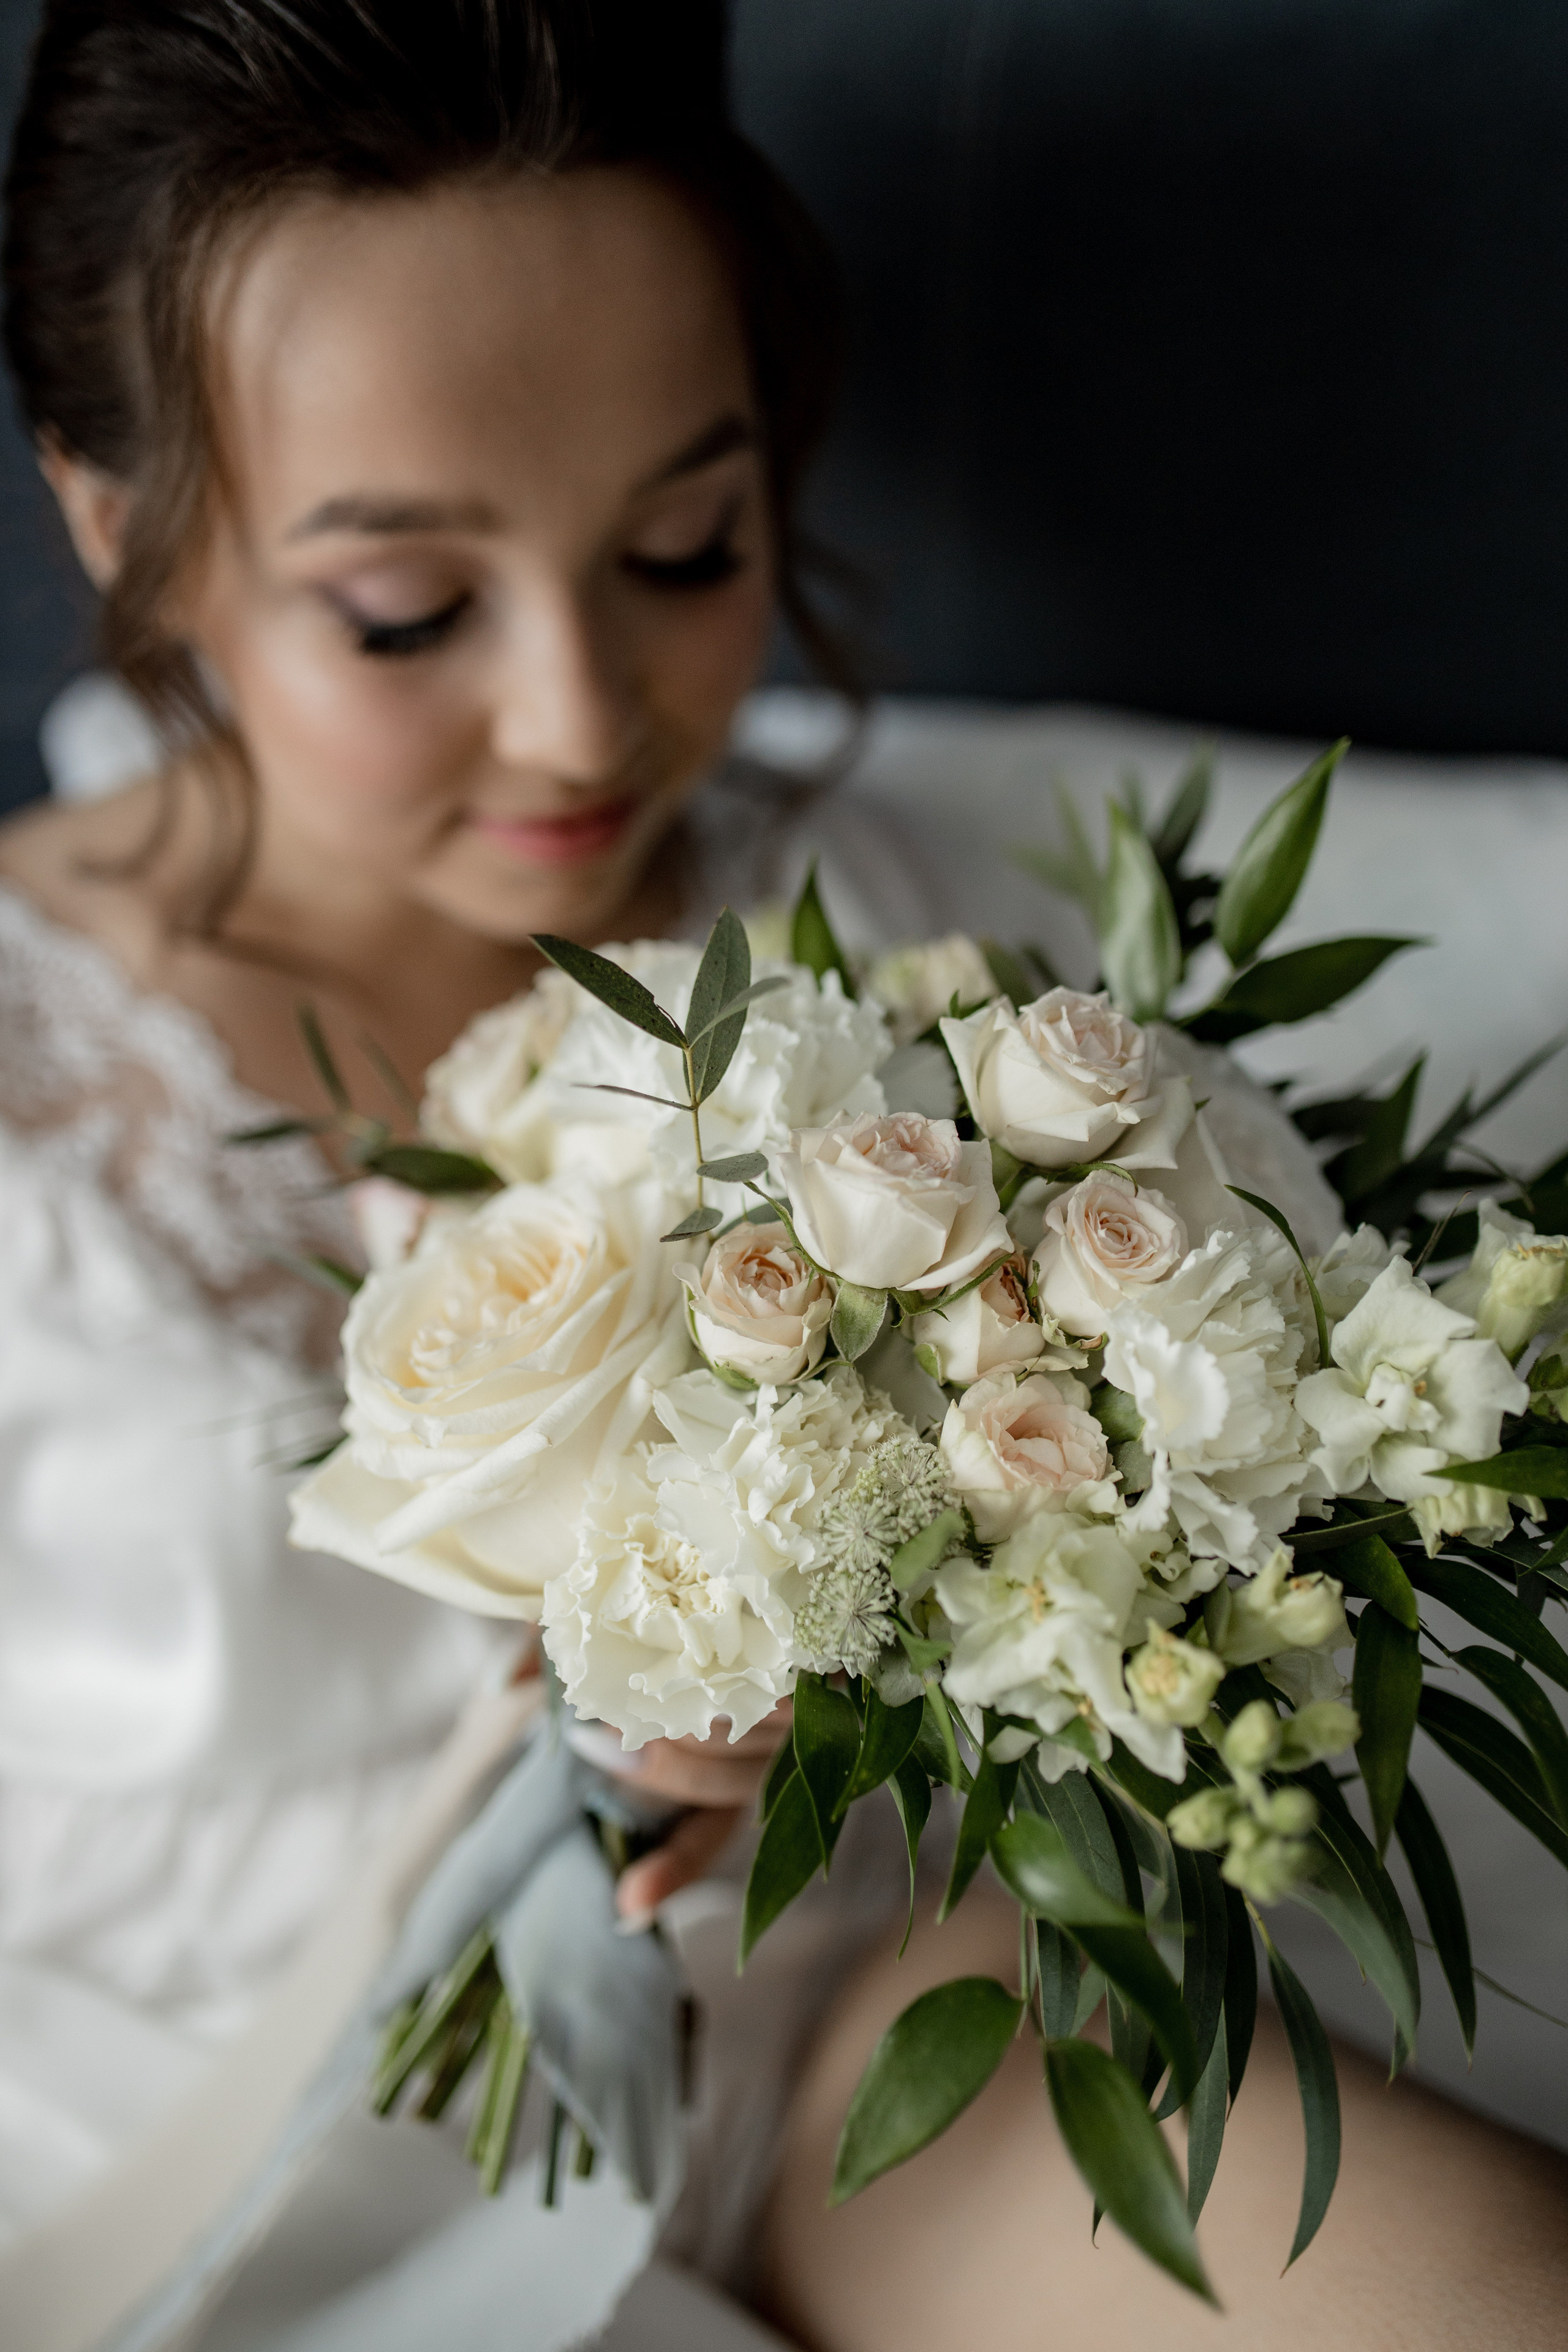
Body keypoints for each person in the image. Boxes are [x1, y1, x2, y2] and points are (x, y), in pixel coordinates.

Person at [0, 4, 1564, 2346]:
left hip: (866, 2010)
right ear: (122, 523)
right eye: (408, 608)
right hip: (192, 2107)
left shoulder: (902, 923)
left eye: (684, 542)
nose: (579, 718)